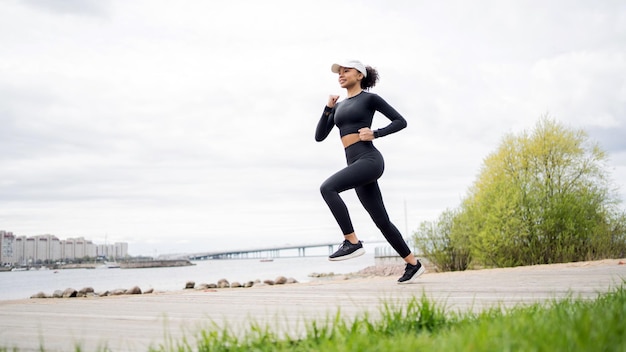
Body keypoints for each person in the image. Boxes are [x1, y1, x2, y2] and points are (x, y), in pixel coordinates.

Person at [315, 59, 426, 284]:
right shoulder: (338, 106)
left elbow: (400, 121)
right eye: (339, 72)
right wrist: (327, 108)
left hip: (369, 160)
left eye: (347, 71)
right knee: (381, 220)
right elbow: (319, 136)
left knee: (328, 188)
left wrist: (376, 133)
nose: (341, 74)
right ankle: (413, 264)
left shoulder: (370, 99)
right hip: (355, 164)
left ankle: (352, 241)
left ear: (360, 76)